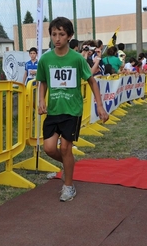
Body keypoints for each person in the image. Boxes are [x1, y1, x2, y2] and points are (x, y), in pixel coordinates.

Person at [36, 16, 109, 202]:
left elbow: (92, 81)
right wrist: (41, 100)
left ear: (69, 36)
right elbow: (42, 81)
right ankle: (69, 166)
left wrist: (100, 106)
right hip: (54, 110)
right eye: (54, 34)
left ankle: (68, 186)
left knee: (66, 148)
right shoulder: (45, 59)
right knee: (49, 148)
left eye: (61, 34)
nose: (57, 38)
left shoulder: (77, 59)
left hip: (72, 110)